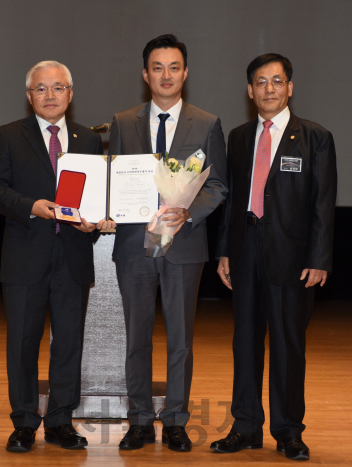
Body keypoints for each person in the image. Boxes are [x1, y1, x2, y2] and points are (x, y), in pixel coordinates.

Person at [99, 34, 227, 452]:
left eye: (174, 67)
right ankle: (139, 421)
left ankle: (174, 420)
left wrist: (190, 212)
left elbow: (219, 185)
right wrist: (109, 211)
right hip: (134, 246)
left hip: (185, 246)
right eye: (158, 67)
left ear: (185, 73)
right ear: (145, 74)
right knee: (135, 336)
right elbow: (112, 183)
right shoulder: (122, 121)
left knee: (181, 338)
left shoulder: (207, 124)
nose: (166, 75)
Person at [210, 53, 337, 461]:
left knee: (287, 345)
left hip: (292, 256)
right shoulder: (240, 136)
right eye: (261, 82)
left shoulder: (315, 137)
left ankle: (287, 431)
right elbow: (230, 201)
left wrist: (320, 258)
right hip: (245, 252)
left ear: (290, 87)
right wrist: (225, 252)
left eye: (277, 81)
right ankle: (246, 426)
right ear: (249, 91)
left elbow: (323, 203)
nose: (269, 89)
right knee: (244, 342)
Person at [0, 60, 105, 453]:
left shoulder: (88, 139)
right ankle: (23, 422)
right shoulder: (8, 136)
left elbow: (95, 196)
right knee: (22, 342)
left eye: (58, 88)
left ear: (70, 93)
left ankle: (61, 421)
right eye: (41, 89)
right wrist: (31, 205)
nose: (49, 96)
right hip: (24, 256)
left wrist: (94, 221)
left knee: (69, 342)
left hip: (73, 255)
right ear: (29, 95)